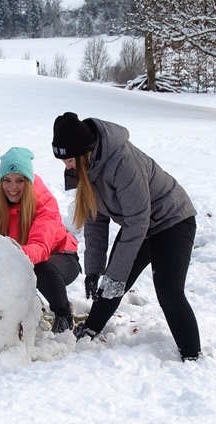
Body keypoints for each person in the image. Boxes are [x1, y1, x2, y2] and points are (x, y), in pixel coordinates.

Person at [50, 112, 201, 361]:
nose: (66, 166)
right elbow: (95, 220)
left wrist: (115, 276)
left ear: (84, 152)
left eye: (69, 159)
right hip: (139, 226)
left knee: (168, 290)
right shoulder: (87, 167)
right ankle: (91, 329)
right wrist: (94, 271)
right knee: (110, 283)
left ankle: (192, 356)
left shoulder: (122, 161)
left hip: (173, 221)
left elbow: (137, 220)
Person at [0, 147, 80, 334]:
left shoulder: (44, 203)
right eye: (7, 180)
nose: (12, 187)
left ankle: (63, 313)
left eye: (19, 181)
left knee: (40, 268)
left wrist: (11, 252)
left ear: (28, 181)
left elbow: (40, 248)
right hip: (20, 256)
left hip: (61, 259)